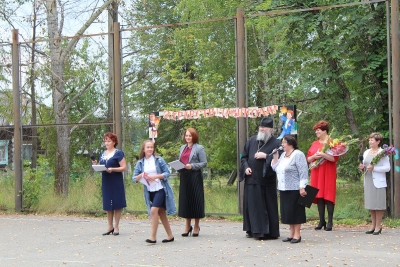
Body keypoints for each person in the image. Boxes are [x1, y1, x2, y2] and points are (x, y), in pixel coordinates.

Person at [239, 117, 281, 240]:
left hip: (266, 181)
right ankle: (252, 230)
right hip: (252, 179)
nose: (261, 129)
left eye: (264, 127)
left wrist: (266, 156)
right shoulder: (252, 141)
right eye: (260, 127)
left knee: (267, 207)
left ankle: (268, 232)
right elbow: (244, 157)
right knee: (252, 207)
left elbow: (279, 159)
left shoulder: (276, 143)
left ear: (271, 130)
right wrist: (246, 167)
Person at [133, 140, 176, 243]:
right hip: (149, 191)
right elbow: (134, 178)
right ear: (143, 149)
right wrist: (142, 175)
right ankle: (170, 236)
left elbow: (167, 173)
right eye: (148, 147)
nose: (150, 149)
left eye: (151, 147)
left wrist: (156, 176)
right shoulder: (140, 163)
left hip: (160, 189)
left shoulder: (159, 160)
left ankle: (153, 237)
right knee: (161, 213)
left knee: (153, 211)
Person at [271, 135, 308, 243]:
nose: (282, 145)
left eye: (284, 142)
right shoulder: (283, 156)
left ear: (290, 144)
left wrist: (302, 187)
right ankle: (291, 233)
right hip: (284, 188)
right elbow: (275, 168)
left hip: (295, 188)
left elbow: (303, 171)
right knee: (288, 212)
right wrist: (276, 157)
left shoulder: (298, 154)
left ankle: (297, 234)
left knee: (296, 212)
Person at [91, 132, 127, 236]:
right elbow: (103, 166)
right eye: (105, 141)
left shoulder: (118, 153)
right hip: (106, 180)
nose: (106, 143)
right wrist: (96, 165)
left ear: (114, 142)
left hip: (115, 179)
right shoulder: (103, 153)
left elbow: (124, 167)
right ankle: (109, 226)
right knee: (108, 203)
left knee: (117, 203)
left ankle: (116, 226)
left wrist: (113, 169)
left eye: (109, 141)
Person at [307, 120, 338, 231]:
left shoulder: (333, 143)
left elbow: (334, 158)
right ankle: (321, 221)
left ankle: (330, 221)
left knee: (328, 195)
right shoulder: (314, 144)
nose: (316, 133)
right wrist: (315, 156)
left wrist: (323, 154)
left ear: (325, 131)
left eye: (318, 130)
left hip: (328, 172)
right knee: (319, 195)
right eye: (316, 131)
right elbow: (308, 159)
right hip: (316, 172)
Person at [359, 132, 390, 235]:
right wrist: (362, 168)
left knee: (378, 204)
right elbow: (365, 165)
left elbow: (387, 168)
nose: (370, 141)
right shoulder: (366, 152)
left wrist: (375, 168)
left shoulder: (383, 153)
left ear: (378, 141)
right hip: (368, 180)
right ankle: (372, 225)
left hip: (378, 181)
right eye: (369, 140)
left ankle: (378, 226)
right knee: (371, 204)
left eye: (372, 140)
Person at [178, 127, 207, 237]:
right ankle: (187, 225)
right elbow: (181, 160)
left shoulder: (199, 148)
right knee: (186, 200)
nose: (188, 137)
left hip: (195, 176)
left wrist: (192, 166)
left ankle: (196, 225)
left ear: (194, 136)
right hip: (184, 177)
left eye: (190, 135)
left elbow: (204, 163)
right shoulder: (182, 148)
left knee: (196, 200)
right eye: (186, 135)